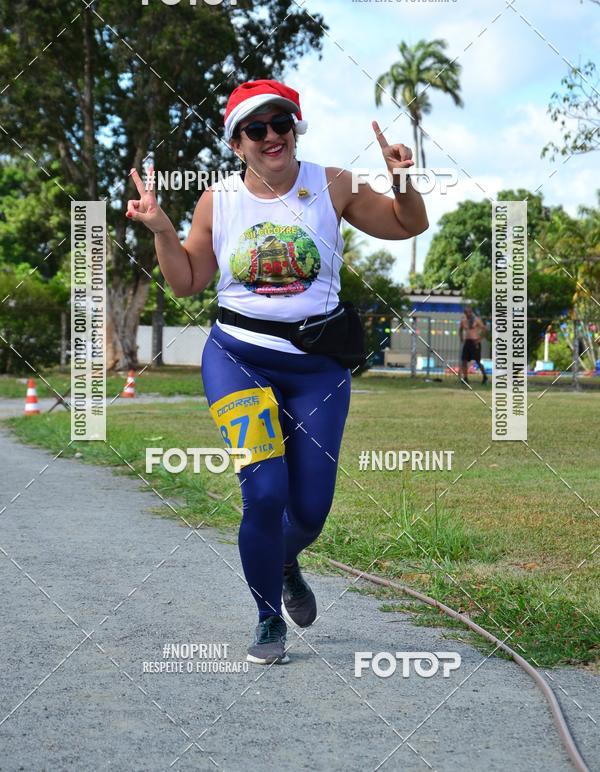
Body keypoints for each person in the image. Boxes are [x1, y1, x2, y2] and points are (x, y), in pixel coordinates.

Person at [126, 79, 429, 665]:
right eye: (256, 129)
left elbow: (405, 225)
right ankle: (267, 616)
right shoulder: (218, 202)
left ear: (296, 127)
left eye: (281, 123)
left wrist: (401, 182)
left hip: (317, 369)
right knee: (264, 492)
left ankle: (285, 559)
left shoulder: (332, 184)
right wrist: (163, 229)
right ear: (236, 142)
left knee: (310, 511)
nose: (272, 136)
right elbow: (188, 281)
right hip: (238, 358)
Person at [459, 305, 488, 384]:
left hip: (475, 342)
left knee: (477, 361)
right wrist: (461, 338)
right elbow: (460, 330)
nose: (468, 314)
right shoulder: (463, 321)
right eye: (466, 312)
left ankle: (485, 377)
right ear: (464, 313)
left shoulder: (476, 320)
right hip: (467, 342)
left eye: (469, 312)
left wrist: (479, 339)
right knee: (464, 360)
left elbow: (485, 329)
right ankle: (465, 378)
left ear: (471, 312)